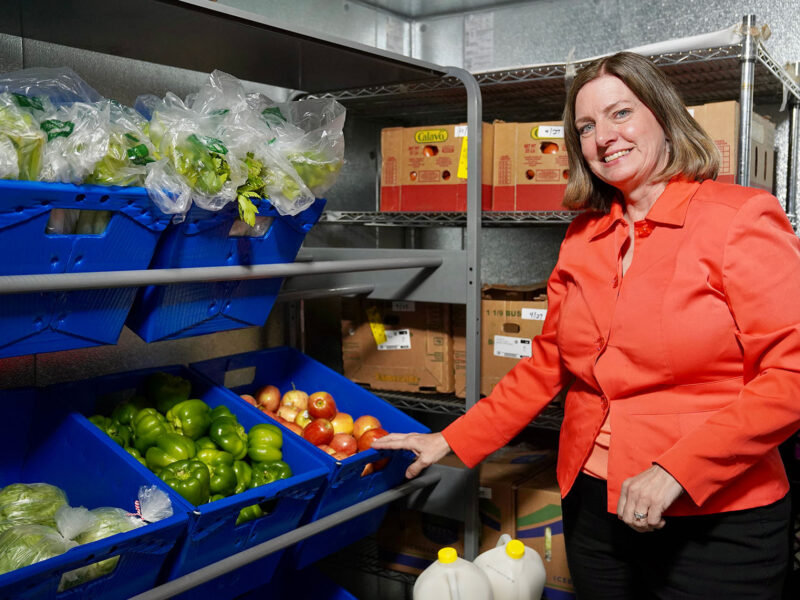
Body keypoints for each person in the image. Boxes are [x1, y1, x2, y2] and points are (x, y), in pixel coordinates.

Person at [373, 51, 800, 599]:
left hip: (716, 517)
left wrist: (678, 469)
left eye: (621, 113)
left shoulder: (740, 218)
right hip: (594, 504)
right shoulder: (584, 237)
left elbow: (790, 375)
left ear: (664, 119)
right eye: (587, 126)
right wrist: (451, 440)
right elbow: (546, 364)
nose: (604, 137)